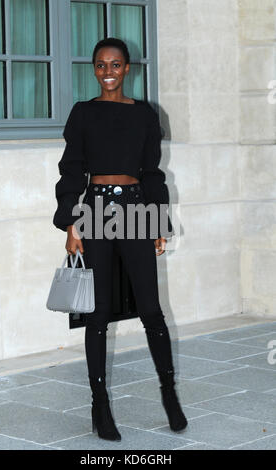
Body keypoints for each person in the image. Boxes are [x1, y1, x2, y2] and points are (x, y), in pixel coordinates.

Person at [53, 37, 187, 441]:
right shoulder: (82, 114)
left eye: (114, 64)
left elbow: (152, 172)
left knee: (151, 307)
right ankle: (100, 404)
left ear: (127, 68)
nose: (107, 71)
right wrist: (70, 225)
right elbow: (71, 171)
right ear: (93, 70)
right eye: (100, 65)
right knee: (99, 312)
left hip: (134, 210)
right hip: (94, 209)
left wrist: (158, 223)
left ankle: (169, 394)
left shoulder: (144, 115)